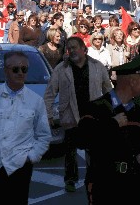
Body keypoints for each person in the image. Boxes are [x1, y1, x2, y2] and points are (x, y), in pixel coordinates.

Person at [0, 50, 51, 204]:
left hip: (20, 167)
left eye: (24, 69)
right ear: (6, 70)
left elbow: (44, 135)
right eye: (15, 69)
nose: (20, 73)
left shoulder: (36, 101)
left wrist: (31, 157)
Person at [76, 53, 140, 205]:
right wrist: (112, 124)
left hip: (131, 183)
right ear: (132, 81)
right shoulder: (96, 107)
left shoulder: (136, 110)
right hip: (104, 183)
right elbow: (82, 140)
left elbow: (136, 141)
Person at [43, 36, 113, 192]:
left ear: (84, 49)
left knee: (93, 150)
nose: (71, 51)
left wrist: (114, 109)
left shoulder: (97, 66)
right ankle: (70, 179)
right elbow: (49, 94)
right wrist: (48, 115)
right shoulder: (61, 69)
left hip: (93, 115)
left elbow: (108, 90)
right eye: (69, 48)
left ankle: (94, 178)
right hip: (70, 115)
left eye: (75, 47)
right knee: (70, 151)